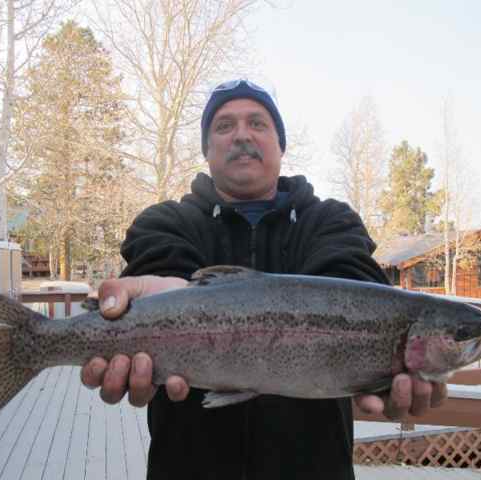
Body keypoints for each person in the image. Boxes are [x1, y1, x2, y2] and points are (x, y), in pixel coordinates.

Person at [81, 79, 447, 479]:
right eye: (224, 126)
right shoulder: (164, 223)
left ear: (280, 144)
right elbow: (160, 272)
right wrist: (163, 297)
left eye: (257, 123)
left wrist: (373, 360)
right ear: (206, 150)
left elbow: (352, 284)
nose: (241, 134)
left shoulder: (330, 221)